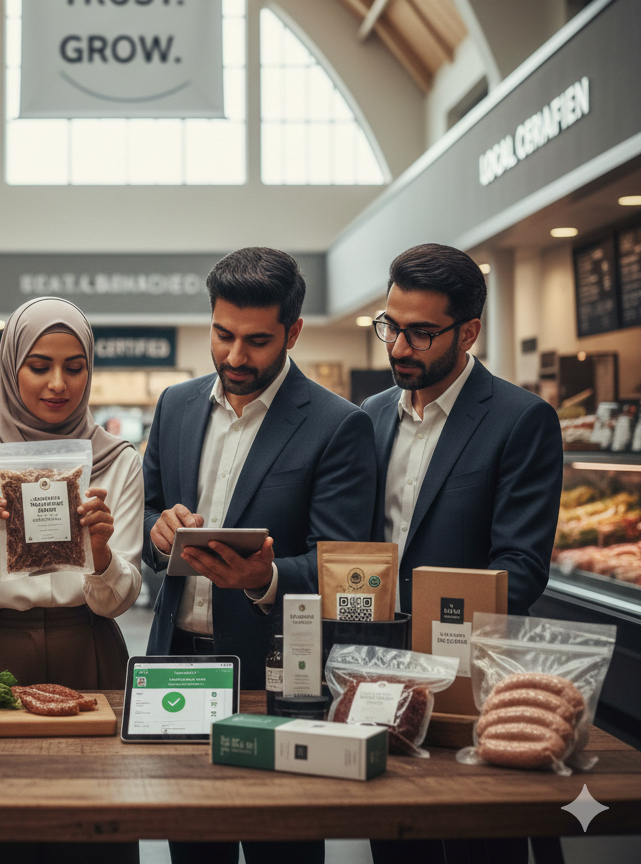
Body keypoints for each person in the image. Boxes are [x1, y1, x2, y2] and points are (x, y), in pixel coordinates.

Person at [143, 247, 377, 864]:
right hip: (178, 667)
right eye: (222, 335)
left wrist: (266, 577)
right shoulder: (176, 405)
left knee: (284, 846)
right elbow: (144, 513)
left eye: (257, 341)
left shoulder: (337, 425)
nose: (235, 356)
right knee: (192, 845)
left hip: (276, 674)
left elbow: (343, 565)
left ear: (293, 332)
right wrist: (157, 530)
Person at [362, 243, 562, 864]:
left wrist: (425, 618)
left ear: (468, 331)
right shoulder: (366, 418)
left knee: (481, 846)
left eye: (420, 334)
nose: (397, 347)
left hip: (470, 682)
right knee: (393, 843)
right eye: (390, 327)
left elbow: (521, 570)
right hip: (375, 676)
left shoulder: (520, 419)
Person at [0, 296, 143, 689]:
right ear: (11, 368)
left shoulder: (118, 460)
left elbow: (119, 601)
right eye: (39, 366)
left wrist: (101, 554)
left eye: (75, 368)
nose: (58, 384)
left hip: (90, 648)